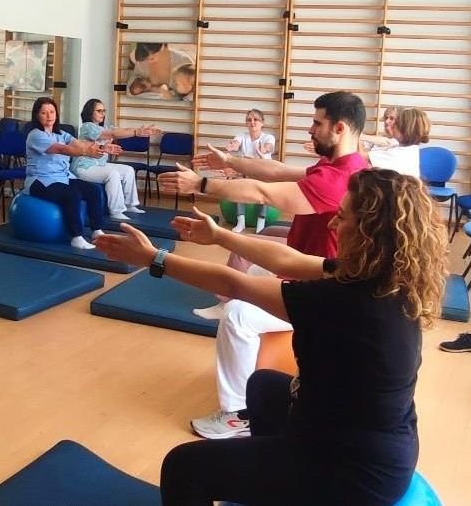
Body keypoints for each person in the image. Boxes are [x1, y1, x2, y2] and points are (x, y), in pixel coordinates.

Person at [96, 168, 447, 505]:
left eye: (342, 217)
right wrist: (219, 235)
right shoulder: (385, 277)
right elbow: (291, 260)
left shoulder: (346, 301)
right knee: (263, 385)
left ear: (369, 231)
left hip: (354, 470)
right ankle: (275, 487)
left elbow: (235, 284)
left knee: (183, 467)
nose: (332, 223)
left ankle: (294, 477)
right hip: (380, 442)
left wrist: (154, 258)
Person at [159, 91, 369, 439]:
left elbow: (265, 194)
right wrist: (231, 160)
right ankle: (225, 311)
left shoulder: (339, 178)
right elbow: (277, 171)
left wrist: (203, 184)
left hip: (317, 287)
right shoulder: (344, 166)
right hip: (301, 271)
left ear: (340, 127)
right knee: (248, 266)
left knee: (239, 316)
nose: (310, 129)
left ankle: (237, 416)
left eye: (318, 123)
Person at [25, 97, 114, 250]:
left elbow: (79, 143)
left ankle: (97, 231)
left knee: (94, 190)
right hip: (40, 181)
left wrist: (100, 148)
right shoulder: (35, 135)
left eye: (52, 112)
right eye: (44, 113)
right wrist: (87, 152)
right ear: (37, 115)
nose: (49, 116)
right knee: (72, 195)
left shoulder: (61, 133)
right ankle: (76, 236)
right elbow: (62, 149)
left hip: (62, 177)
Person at [71, 98, 163, 221]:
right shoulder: (87, 127)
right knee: (112, 174)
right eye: (99, 111)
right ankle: (116, 211)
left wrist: (142, 131)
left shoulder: (105, 127)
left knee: (128, 170)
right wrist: (137, 132)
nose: (103, 114)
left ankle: (130, 204)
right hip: (84, 167)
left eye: (104, 111)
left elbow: (121, 131)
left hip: (98, 165)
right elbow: (112, 134)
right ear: (90, 112)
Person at [223, 108, 277, 234]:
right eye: (249, 120)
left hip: (263, 172)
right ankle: (241, 221)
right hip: (245, 172)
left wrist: (263, 150)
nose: (252, 122)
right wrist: (233, 146)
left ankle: (261, 222)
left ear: (262, 122)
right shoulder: (242, 136)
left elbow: (269, 147)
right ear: (246, 123)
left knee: (264, 190)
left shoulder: (268, 137)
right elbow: (236, 143)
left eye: (256, 119)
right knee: (239, 186)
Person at [365, 107, 430, 176]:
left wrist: (357, 134)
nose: (392, 124)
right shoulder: (404, 147)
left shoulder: (401, 154)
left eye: (396, 123)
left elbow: (363, 159)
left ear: (406, 130)